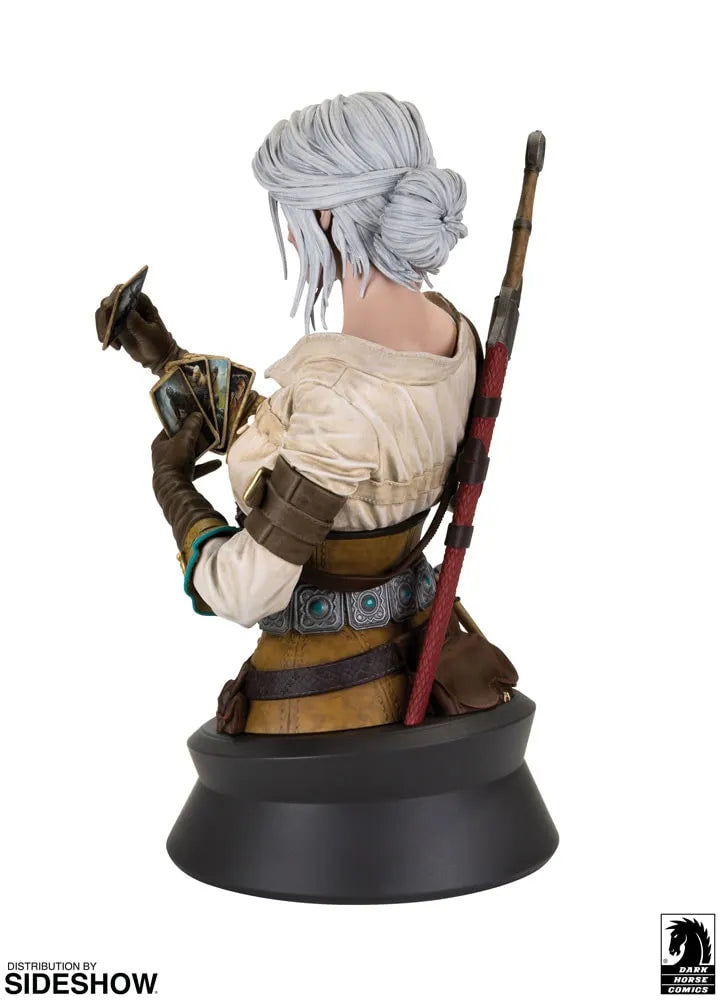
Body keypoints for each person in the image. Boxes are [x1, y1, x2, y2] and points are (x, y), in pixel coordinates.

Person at [96, 92, 489, 736]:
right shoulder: (456, 334)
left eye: (295, 212)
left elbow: (244, 590)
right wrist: (169, 359)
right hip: (415, 648)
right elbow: (329, 458)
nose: (288, 232)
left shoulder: (340, 398)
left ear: (328, 217)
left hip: (321, 702)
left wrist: (172, 486)